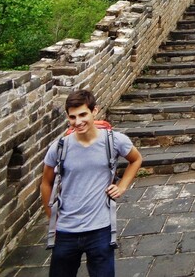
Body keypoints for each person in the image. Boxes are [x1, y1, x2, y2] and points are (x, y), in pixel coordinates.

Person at [41, 90, 142, 277]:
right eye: (72, 117)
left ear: (94, 111)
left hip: (100, 228)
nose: (78, 122)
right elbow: (45, 183)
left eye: (82, 114)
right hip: (66, 230)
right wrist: (52, 218)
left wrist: (122, 186)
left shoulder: (113, 141)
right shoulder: (60, 147)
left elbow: (135, 159)